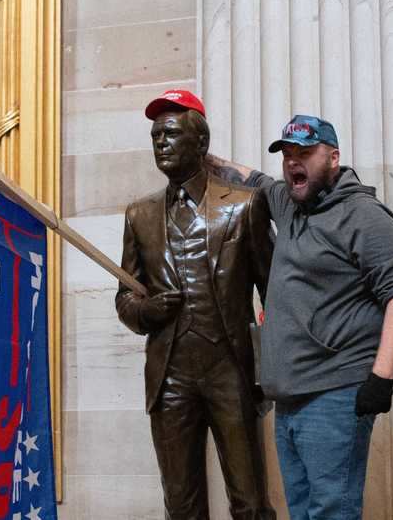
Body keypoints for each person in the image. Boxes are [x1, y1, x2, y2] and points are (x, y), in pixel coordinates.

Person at [206, 115, 393, 519]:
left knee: (331, 511)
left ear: (333, 157)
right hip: (289, 399)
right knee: (303, 512)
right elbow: (254, 180)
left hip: (335, 393)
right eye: (287, 154)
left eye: (304, 153)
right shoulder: (291, 205)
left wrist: (381, 378)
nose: (292, 162)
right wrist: (204, 157)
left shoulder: (364, 215)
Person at [115, 89, 276, 519]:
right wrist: (144, 312)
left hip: (232, 372)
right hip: (170, 377)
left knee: (250, 501)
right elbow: (125, 296)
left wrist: (273, 369)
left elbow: (275, 293)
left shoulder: (244, 206)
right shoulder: (139, 215)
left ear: (200, 143)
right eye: (154, 137)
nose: (160, 144)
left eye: (169, 134)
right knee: (181, 505)